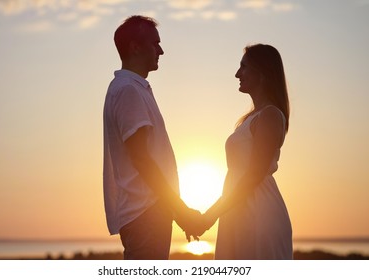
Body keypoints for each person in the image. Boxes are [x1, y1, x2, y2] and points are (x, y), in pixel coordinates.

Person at [103, 15, 200, 260]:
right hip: (145, 214)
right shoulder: (128, 90)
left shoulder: (134, 88)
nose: (161, 51)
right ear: (135, 47)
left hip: (149, 213)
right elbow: (142, 159)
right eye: (155, 43)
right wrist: (181, 211)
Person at [187, 44, 293, 259]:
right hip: (239, 212)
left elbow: (253, 175)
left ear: (262, 73)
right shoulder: (253, 118)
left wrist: (208, 217)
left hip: (259, 215)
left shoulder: (271, 115)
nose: (237, 74)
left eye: (243, 67)